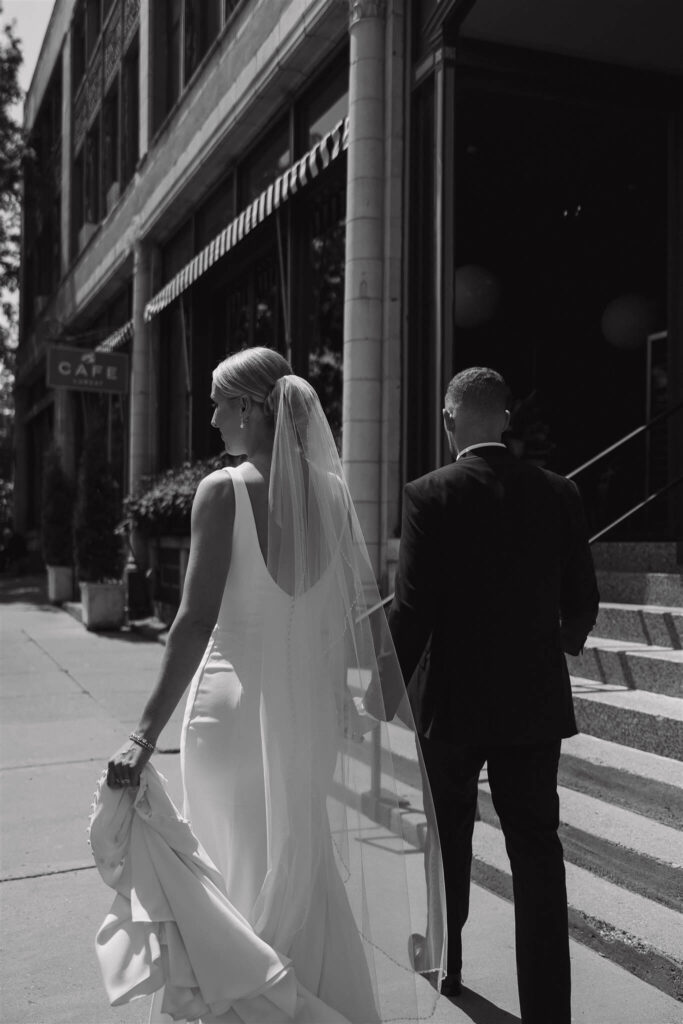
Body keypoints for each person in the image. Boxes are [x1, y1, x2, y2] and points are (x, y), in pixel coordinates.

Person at [105, 347, 446, 1023]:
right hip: (307, 717)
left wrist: (143, 734)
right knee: (295, 859)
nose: (210, 418)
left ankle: (247, 1000)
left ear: (251, 408)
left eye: (217, 403)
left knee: (227, 860)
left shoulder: (223, 491)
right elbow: (348, 616)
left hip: (227, 716)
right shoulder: (333, 494)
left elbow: (195, 619)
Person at [385, 366, 599, 1023]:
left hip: (452, 705)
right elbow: (582, 599)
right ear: (504, 418)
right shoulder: (558, 492)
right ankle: (547, 1012)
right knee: (537, 852)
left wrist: (375, 692)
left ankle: (449, 964)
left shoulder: (428, 495)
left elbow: (412, 611)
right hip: (533, 704)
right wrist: (556, 641)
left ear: (450, 420)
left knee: (448, 837)